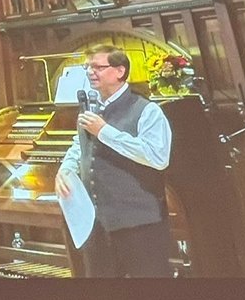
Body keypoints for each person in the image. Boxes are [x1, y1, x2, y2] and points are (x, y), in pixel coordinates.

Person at [56, 45, 174, 277]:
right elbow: (80, 144)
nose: (90, 72)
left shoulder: (147, 110)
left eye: (98, 67)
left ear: (120, 71)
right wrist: (66, 169)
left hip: (139, 224)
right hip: (98, 223)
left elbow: (158, 157)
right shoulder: (92, 108)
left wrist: (104, 132)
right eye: (87, 67)